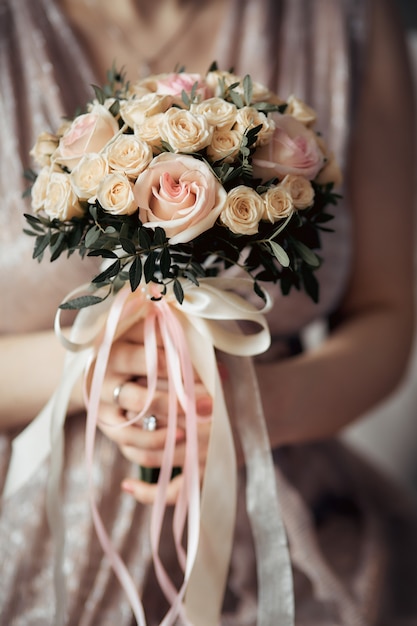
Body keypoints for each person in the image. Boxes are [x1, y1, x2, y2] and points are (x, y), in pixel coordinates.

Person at [0, 0, 416, 624]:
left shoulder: (349, 17)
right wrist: (90, 371)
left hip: (292, 510)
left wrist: (254, 410)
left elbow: (388, 314)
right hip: (40, 524)